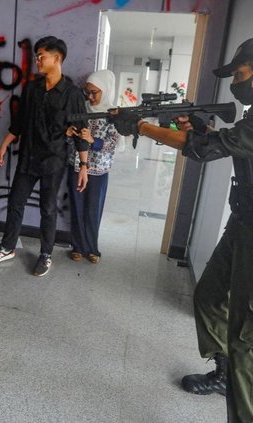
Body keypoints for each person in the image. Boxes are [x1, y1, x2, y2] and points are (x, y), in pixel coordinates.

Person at [111, 38, 253, 423]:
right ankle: (225, 376)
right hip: (242, 224)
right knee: (208, 297)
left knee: (246, 340)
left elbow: (208, 151)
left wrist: (140, 126)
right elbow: (217, 143)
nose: (236, 83)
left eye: (240, 73)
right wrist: (200, 127)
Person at [0, 35, 90, 276]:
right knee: (15, 202)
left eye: (42, 55)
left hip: (54, 160)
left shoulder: (72, 94)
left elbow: (82, 132)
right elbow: (19, 123)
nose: (37, 60)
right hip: (28, 157)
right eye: (36, 56)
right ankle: (8, 246)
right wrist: (3, 146)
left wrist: (83, 165)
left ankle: (45, 254)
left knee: (48, 209)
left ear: (57, 58)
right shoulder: (32, 88)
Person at [66, 70, 120, 264]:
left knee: (93, 210)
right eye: (87, 92)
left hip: (99, 171)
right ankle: (77, 247)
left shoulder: (113, 114)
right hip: (76, 166)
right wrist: (69, 133)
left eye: (94, 92)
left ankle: (92, 248)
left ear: (105, 90)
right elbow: (70, 139)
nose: (89, 96)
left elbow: (113, 143)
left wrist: (93, 140)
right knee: (77, 207)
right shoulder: (81, 110)